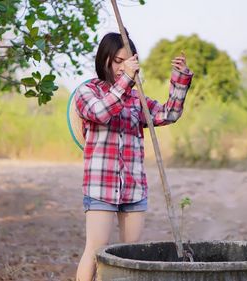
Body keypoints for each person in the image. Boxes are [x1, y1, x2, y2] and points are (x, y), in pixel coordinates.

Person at [74, 32, 193, 281]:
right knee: (95, 253)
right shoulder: (88, 92)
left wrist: (180, 80)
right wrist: (127, 78)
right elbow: (101, 112)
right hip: (101, 188)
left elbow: (168, 114)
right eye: (118, 61)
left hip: (133, 189)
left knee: (130, 258)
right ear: (104, 59)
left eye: (128, 61)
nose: (123, 67)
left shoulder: (136, 99)